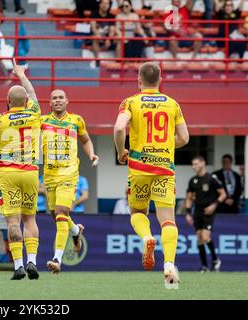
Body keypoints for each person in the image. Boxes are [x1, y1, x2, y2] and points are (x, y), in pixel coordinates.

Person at [113, 62, 189, 289]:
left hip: (139, 169)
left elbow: (118, 128)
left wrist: (121, 152)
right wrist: (166, 145)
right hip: (164, 169)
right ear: (160, 80)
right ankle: (169, 264)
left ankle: (147, 238)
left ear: (138, 80)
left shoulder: (131, 102)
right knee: (168, 219)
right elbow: (184, 138)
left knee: (137, 211)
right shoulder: (172, 104)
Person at [0, 59, 41, 280]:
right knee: (30, 219)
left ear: (7, 101)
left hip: (8, 172)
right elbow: (32, 93)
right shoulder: (34, 112)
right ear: (25, 101)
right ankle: (33, 261)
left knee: (12, 221)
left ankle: (18, 266)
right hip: (31, 172)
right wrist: (21, 74)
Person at [42, 89, 99, 274]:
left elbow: (86, 139)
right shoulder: (42, 122)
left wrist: (91, 154)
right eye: (54, 98)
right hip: (50, 175)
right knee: (54, 214)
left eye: (60, 97)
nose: (57, 100)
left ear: (67, 101)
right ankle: (75, 231)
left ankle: (57, 259)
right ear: (49, 103)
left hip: (69, 173)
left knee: (60, 214)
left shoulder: (77, 120)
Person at [185, 156, 226, 272]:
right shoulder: (193, 180)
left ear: (203, 163)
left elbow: (223, 194)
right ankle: (204, 266)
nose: (194, 166)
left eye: (196, 164)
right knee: (199, 238)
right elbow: (189, 198)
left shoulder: (212, 178)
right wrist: (188, 213)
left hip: (208, 211)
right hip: (197, 211)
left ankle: (215, 260)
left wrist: (214, 205)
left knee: (205, 236)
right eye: (193, 164)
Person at [90, 0, 117, 68]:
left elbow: (112, 30)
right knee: (95, 37)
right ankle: (97, 60)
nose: (105, 5)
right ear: (99, 4)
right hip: (98, 36)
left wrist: (108, 39)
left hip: (108, 38)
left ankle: (118, 62)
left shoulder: (111, 16)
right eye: (103, 3)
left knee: (119, 39)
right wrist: (100, 36)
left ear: (109, 5)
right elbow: (93, 28)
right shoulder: (94, 14)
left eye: (107, 3)